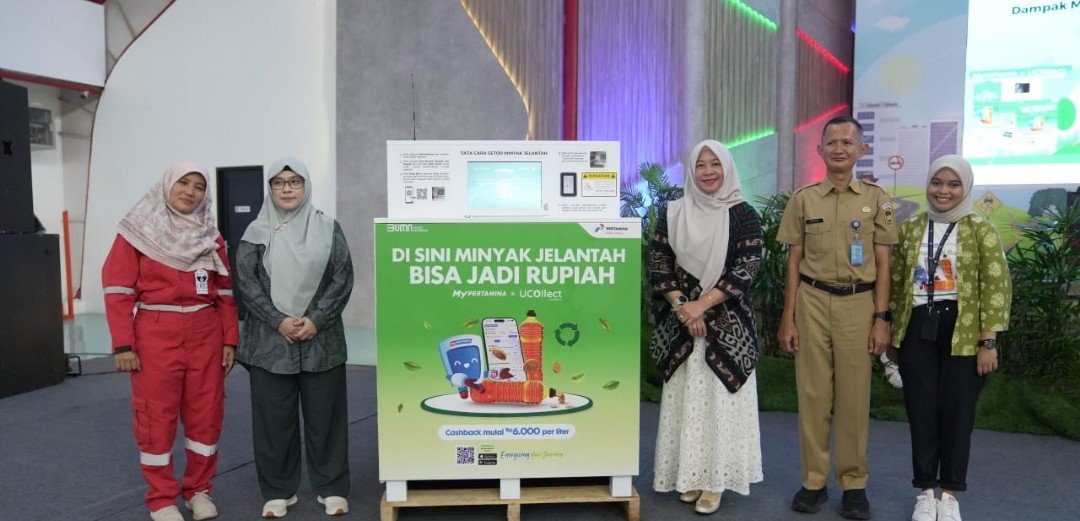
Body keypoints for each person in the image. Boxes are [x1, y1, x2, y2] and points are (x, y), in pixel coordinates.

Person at [776, 116, 898, 519]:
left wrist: (881, 318)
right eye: (832, 142)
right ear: (820, 150)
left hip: (858, 305)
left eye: (848, 142)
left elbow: (884, 264)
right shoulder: (804, 199)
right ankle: (813, 482)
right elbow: (793, 262)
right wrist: (788, 316)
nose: (840, 148)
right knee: (812, 396)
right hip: (811, 301)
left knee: (853, 399)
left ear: (862, 149)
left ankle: (854, 484)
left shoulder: (877, 199)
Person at [102, 161, 238, 521]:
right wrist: (123, 344)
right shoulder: (137, 232)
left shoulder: (211, 236)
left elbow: (225, 292)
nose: (190, 191)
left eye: (198, 186)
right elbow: (117, 290)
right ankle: (161, 498)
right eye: (183, 182)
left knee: (206, 414)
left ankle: (199, 490)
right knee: (155, 416)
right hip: (155, 333)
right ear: (167, 185)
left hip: (206, 333)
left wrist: (229, 339)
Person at [888, 155, 1010, 521]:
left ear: (965, 188)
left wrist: (988, 342)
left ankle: (951, 495)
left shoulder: (980, 228)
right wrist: (893, 333)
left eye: (953, 184)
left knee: (958, 414)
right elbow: (897, 281)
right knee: (921, 411)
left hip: (964, 329)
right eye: (937, 182)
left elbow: (996, 286)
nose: (943, 191)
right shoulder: (911, 227)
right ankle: (925, 492)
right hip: (918, 326)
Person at [649, 140, 765, 515]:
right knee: (688, 404)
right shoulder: (672, 213)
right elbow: (659, 264)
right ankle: (691, 476)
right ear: (691, 171)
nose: (708, 171)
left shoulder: (744, 214)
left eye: (715, 163)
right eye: (701, 165)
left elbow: (747, 268)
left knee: (719, 406)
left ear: (727, 167)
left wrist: (703, 305)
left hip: (727, 329)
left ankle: (715, 482)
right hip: (682, 327)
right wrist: (684, 307)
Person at [234, 158, 354, 518]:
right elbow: (247, 284)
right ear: (270, 188)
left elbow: (343, 277)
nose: (287, 188)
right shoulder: (255, 232)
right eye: (279, 182)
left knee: (327, 419)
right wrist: (278, 321)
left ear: (306, 186)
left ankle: (332, 488)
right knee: (273, 422)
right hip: (270, 345)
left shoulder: (328, 228)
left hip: (322, 342)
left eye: (295, 181)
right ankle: (278, 492)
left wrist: (316, 320)